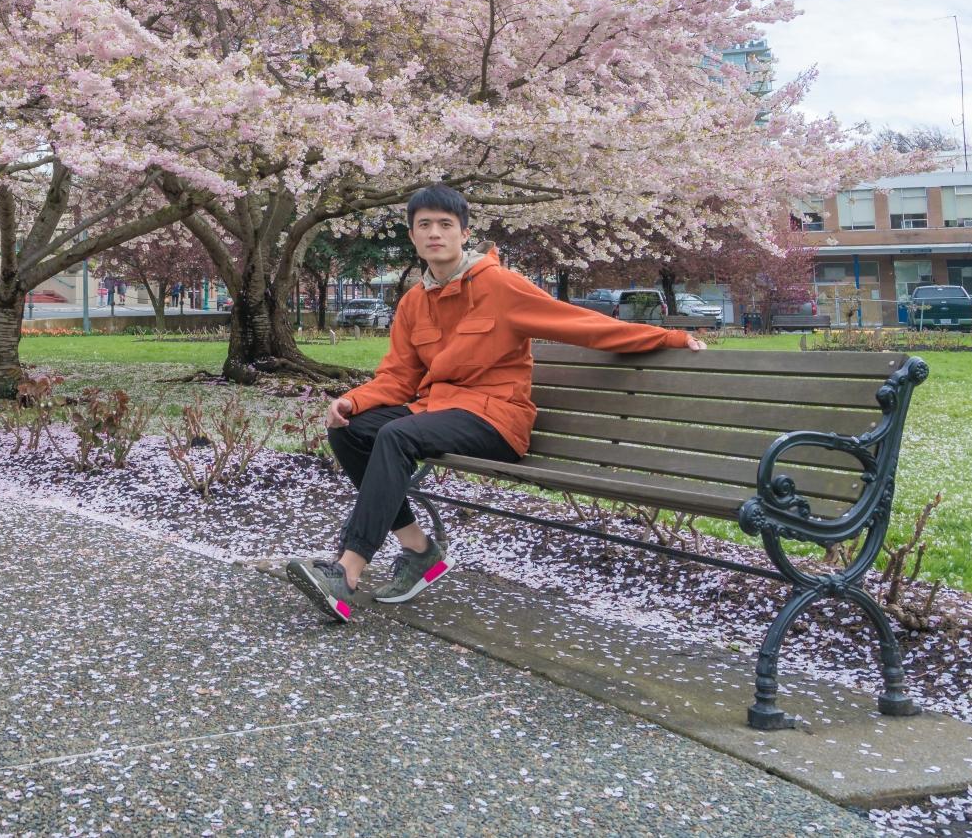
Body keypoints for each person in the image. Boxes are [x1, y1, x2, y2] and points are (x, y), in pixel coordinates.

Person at [284, 184, 706, 623]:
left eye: (445, 225)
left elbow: (581, 325)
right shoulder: (413, 302)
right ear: (412, 237)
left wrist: (668, 338)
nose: (434, 234)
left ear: (464, 233)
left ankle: (347, 572)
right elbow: (400, 376)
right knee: (349, 430)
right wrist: (352, 402)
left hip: (496, 420)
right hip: (438, 412)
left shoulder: (499, 286)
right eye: (424, 225)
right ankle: (417, 548)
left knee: (395, 435)